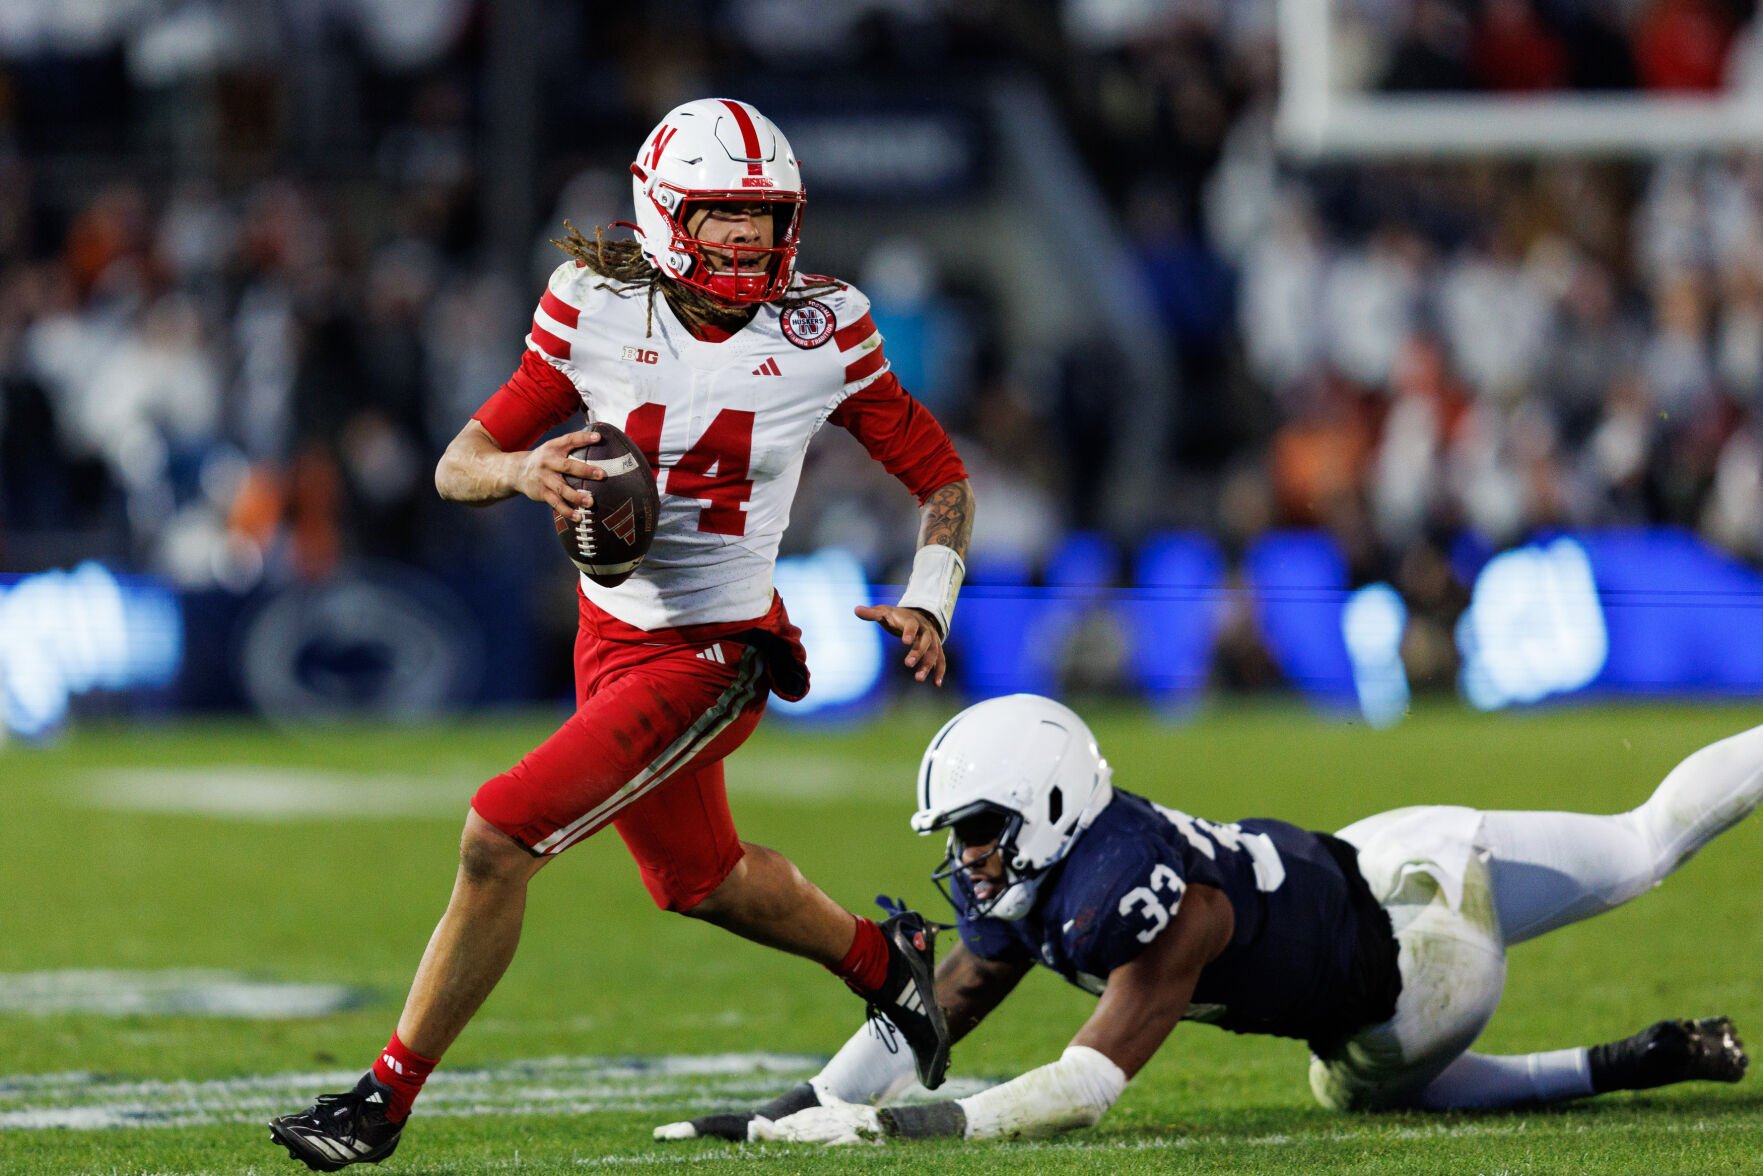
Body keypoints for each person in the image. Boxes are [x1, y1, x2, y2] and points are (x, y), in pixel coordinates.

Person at [268, 97, 976, 1171]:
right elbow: (459, 461)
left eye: (762, 213)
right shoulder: (592, 306)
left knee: (497, 834)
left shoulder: (823, 326)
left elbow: (939, 474)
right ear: (659, 214)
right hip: (610, 636)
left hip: (721, 648)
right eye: (720, 213)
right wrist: (520, 470)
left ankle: (380, 1100)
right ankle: (889, 963)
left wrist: (931, 593)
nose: (746, 237)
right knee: (699, 878)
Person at [658, 694, 1754, 1146]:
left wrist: (893, 1128)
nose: (966, 856)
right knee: (1643, 836)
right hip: (1382, 850)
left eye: (980, 828)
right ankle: (1643, 1056)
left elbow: (1089, 1086)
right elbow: (931, 1017)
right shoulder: (1057, 862)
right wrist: (786, 1109)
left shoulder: (1124, 890)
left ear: (1045, 805)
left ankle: (1618, 1061)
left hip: (1422, 957)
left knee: (1362, 1081)